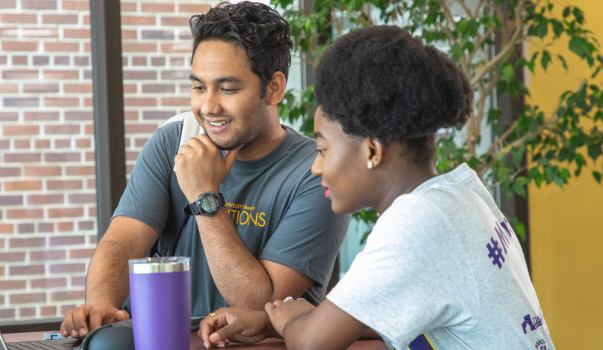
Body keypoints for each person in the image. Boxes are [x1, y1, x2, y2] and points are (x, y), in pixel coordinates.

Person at [198, 25, 556, 350]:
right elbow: (378, 312)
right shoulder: (459, 195)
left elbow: (311, 343)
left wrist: (291, 320)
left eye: (322, 149)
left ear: (372, 150)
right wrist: (271, 320)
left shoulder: (416, 220)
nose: (315, 165)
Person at [59, 1, 350, 340]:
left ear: (273, 88)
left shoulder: (316, 172)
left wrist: (204, 196)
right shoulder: (174, 140)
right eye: (199, 87)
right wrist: (100, 307)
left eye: (227, 89)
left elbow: (264, 307)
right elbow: (123, 241)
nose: (208, 107)